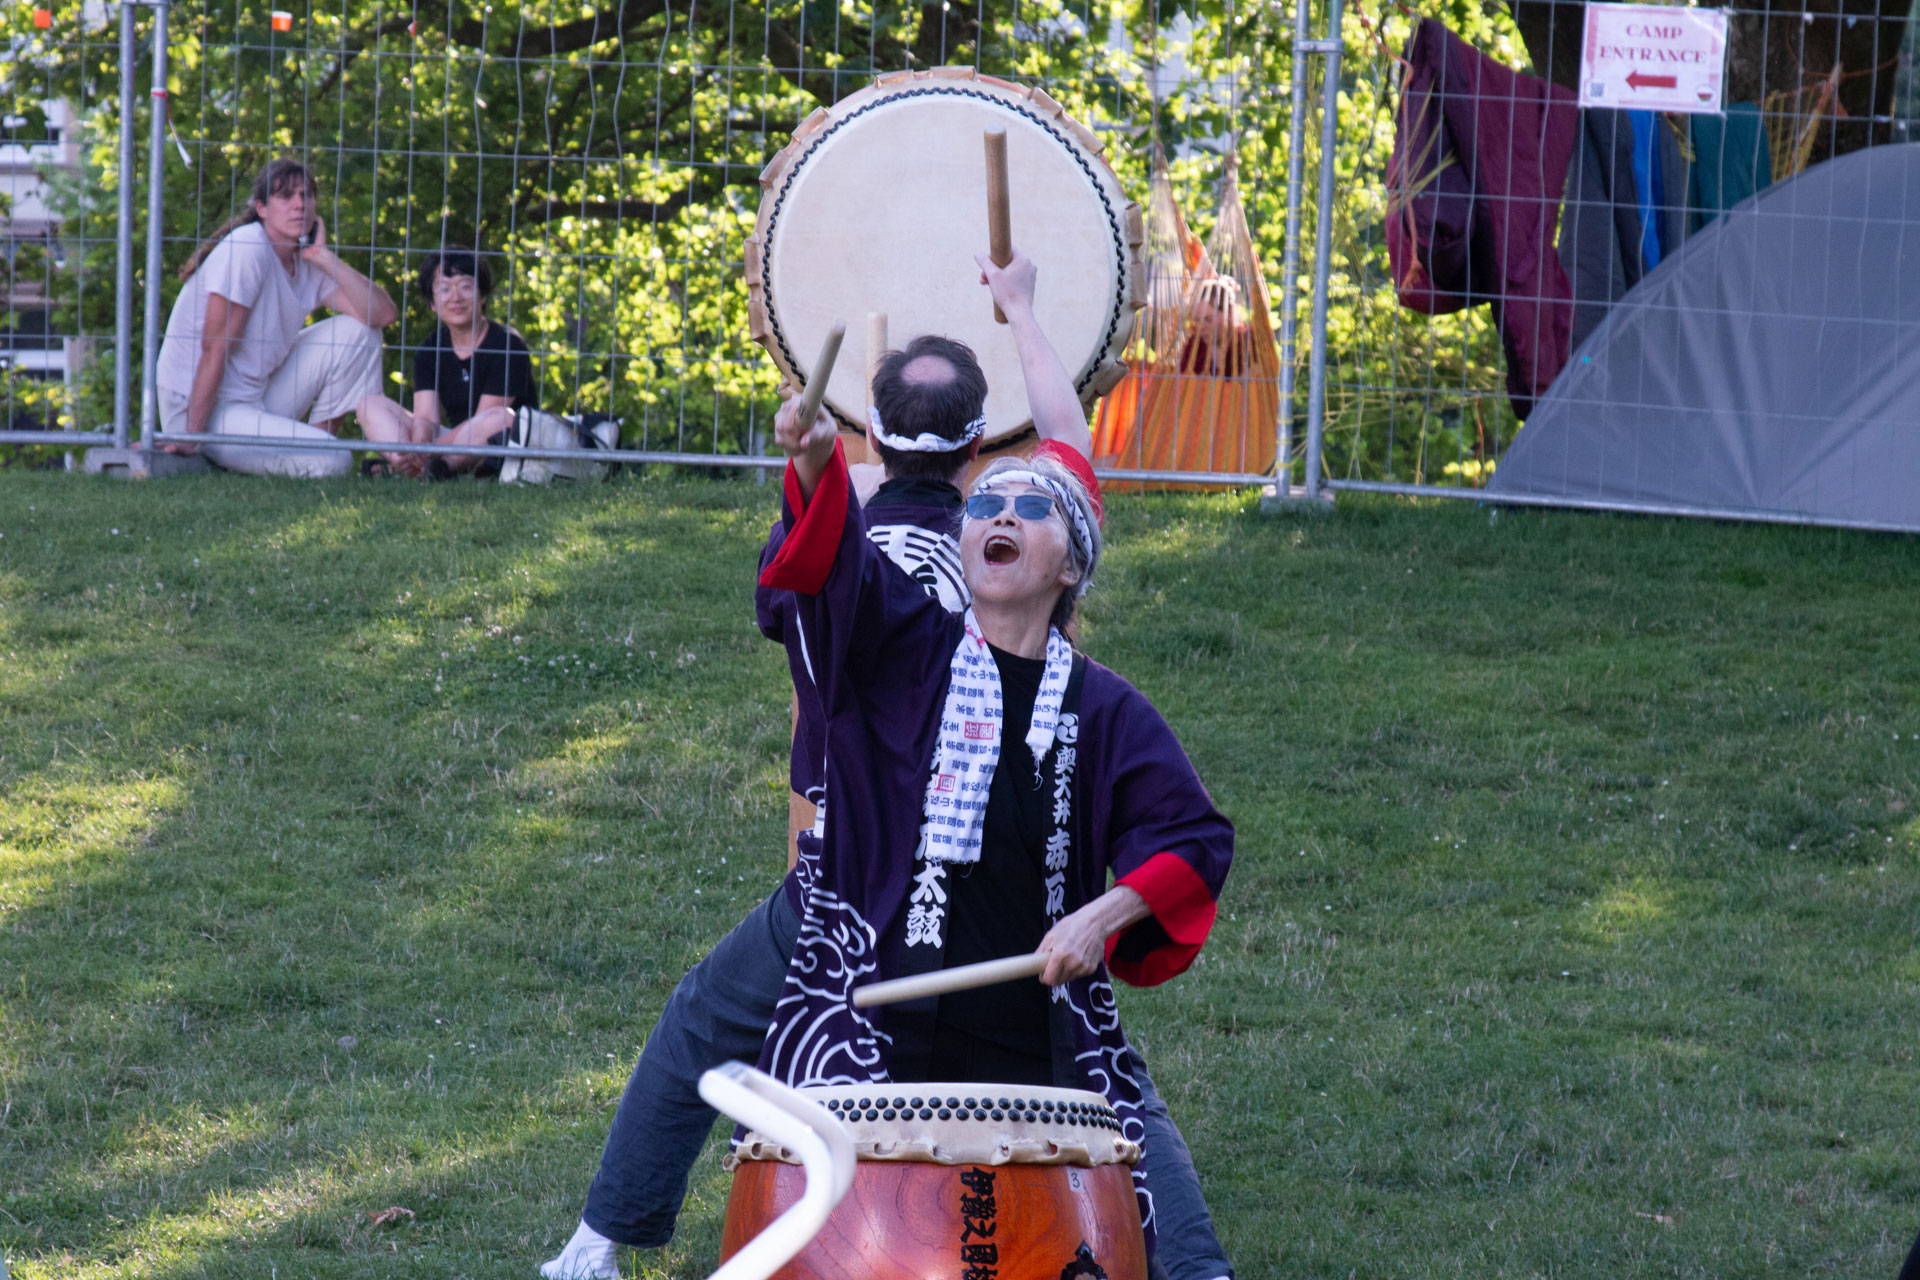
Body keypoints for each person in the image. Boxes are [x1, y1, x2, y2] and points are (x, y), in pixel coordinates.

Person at [541, 252, 1235, 1280]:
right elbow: (832, 573)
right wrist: (817, 464)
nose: (1004, 512)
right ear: (964, 479)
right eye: (989, 500)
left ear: (1072, 560)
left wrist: (1102, 913)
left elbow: (1192, 837)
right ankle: (657, 1244)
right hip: (868, 911)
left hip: (1015, 939)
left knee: (1110, 1092)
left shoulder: (1101, 706)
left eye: (1030, 509)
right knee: (793, 1059)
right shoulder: (905, 628)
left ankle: (1195, 1268)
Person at [154, 158, 399, 478]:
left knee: (361, 332)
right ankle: (298, 455)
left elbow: (383, 314)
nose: (299, 205)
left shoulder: (307, 264)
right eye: (286, 196)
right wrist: (191, 436)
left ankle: (314, 443)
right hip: (203, 410)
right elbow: (215, 347)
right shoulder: (248, 247)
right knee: (336, 461)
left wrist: (323, 257)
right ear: (262, 208)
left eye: (307, 196)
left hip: (255, 398)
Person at [356, 244, 535, 477]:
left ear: (482, 296)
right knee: (370, 404)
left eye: (465, 287)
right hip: (449, 441)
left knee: (500, 418)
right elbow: (426, 418)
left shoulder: (508, 345)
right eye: (444, 289)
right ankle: (408, 463)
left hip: (496, 443)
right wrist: (419, 445)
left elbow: (484, 419)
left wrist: (430, 449)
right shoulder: (430, 348)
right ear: (432, 302)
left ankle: (432, 468)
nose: (456, 297)